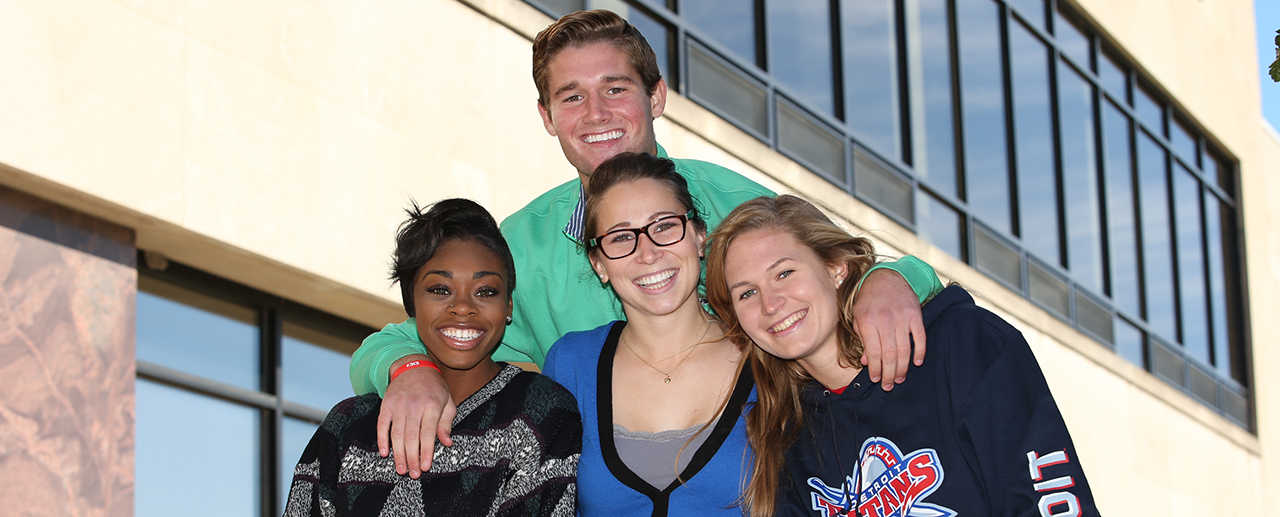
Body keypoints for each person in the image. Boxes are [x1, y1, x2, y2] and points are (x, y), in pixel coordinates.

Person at [350, 8, 944, 479]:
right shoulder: (521, 244)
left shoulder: (732, 200)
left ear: (656, 98)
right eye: (572, 96)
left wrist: (889, 282)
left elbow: (845, 265)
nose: (596, 113)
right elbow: (415, 331)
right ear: (546, 116)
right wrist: (409, 368)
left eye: (615, 88)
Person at [704, 195, 1099, 517]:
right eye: (747, 293)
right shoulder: (784, 435)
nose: (771, 303)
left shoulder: (963, 344)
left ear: (836, 268)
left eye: (784, 273)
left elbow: (1051, 499)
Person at [284, 199, 581, 517]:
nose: (463, 306)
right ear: (411, 301)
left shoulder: (542, 413)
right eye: (440, 289)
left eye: (486, 291)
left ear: (509, 306)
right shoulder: (348, 427)